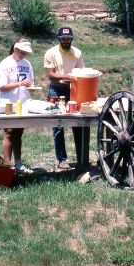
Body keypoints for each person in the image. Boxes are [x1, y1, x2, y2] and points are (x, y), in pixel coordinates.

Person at [44, 26, 84, 169]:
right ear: (59, 39)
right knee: (58, 124)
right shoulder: (51, 53)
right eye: (63, 39)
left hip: (73, 90)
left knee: (78, 123)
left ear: (72, 39)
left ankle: (82, 158)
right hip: (57, 89)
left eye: (68, 39)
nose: (66, 41)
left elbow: (81, 72)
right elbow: (50, 74)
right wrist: (67, 76)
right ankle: (62, 159)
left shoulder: (77, 53)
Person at [0, 39, 37, 174]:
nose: (24, 55)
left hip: (23, 102)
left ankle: (18, 164)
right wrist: (20, 84)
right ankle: (7, 165)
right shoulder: (5, 63)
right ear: (16, 49)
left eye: (26, 53)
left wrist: (31, 88)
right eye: (22, 52)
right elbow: (2, 87)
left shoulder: (27, 64)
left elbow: (30, 82)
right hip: (8, 102)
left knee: (18, 133)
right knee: (9, 132)